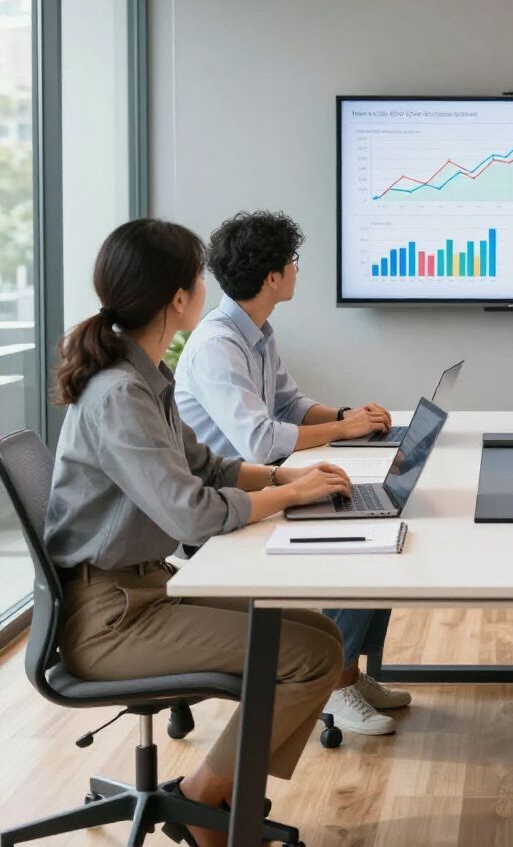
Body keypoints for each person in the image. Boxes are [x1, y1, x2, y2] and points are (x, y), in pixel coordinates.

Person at [47, 219, 353, 847]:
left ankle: (223, 797)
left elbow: (207, 466)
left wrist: (285, 475)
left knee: (320, 633)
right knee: (310, 656)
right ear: (177, 300)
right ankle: (203, 800)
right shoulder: (120, 394)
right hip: (109, 620)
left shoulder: (145, 378)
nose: (205, 290)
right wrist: (289, 494)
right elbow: (191, 513)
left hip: (146, 590)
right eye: (197, 279)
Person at [174, 210, 407, 736]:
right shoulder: (216, 346)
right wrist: (343, 434)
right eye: (293, 262)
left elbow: (291, 404)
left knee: (383, 516)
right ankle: (336, 685)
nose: (298, 270)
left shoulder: (256, 330)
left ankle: (350, 671)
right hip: (222, 503)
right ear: (272, 278)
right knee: (358, 536)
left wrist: (349, 417)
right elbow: (259, 438)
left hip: (259, 480)